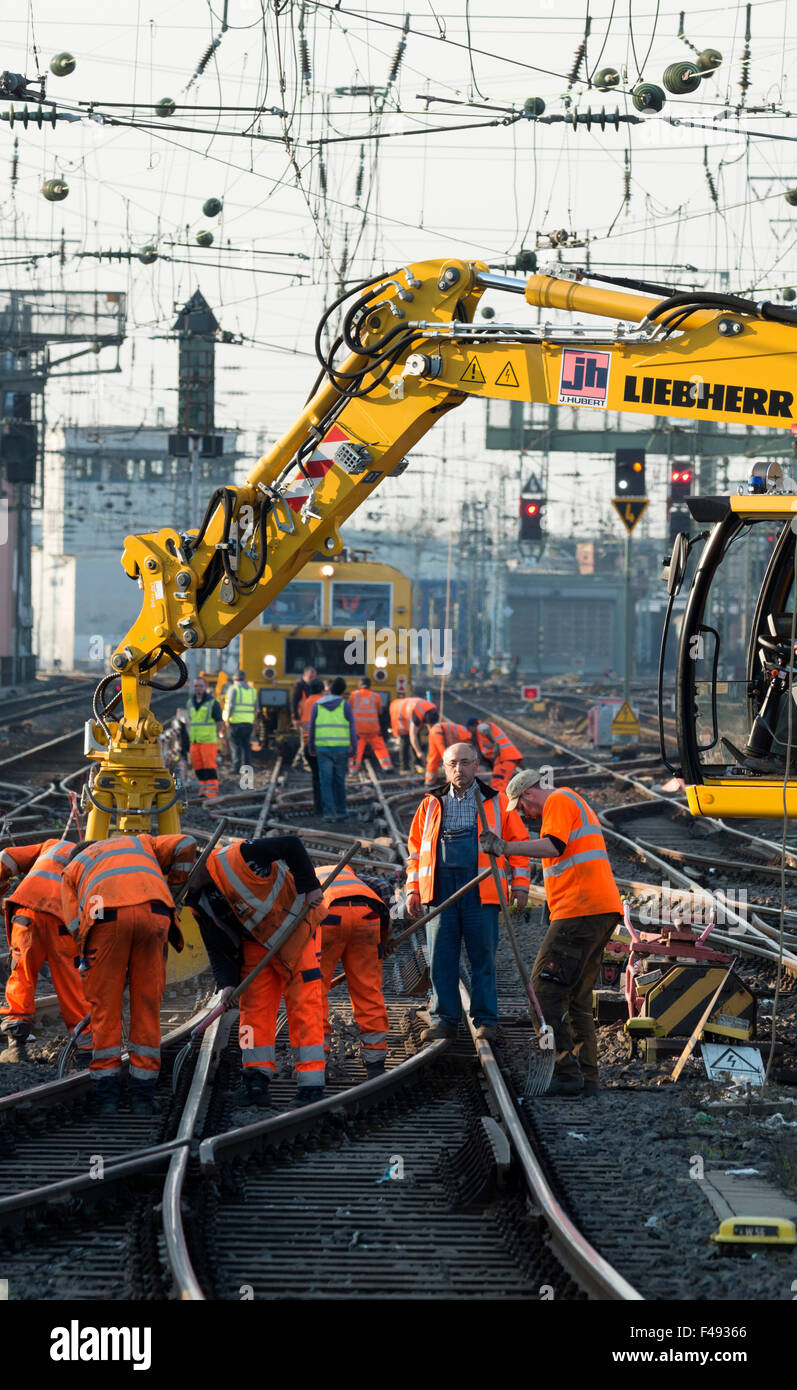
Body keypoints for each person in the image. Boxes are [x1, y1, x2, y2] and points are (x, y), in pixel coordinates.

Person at [479, 769, 623, 1098]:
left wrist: (504, 846)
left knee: (542, 993)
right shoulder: (575, 802)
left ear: (529, 794)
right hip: (598, 909)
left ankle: (564, 1070)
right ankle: (587, 1078)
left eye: (521, 808)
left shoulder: (557, 800)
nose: (524, 815)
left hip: (580, 910)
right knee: (576, 999)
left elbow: (553, 847)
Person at [61, 832, 197, 1115]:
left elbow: (75, 924)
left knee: (105, 1009)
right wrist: (174, 888)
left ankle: (107, 1096)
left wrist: (96, 963)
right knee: (147, 1005)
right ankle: (142, 1097)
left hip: (105, 922)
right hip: (155, 913)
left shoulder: (73, 868)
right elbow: (186, 844)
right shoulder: (140, 841)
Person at [186, 835, 325, 1108]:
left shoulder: (240, 856)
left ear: (195, 862)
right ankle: (255, 1081)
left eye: (182, 876)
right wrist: (226, 983)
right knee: (253, 1012)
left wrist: (310, 887)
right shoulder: (198, 901)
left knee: (303, 1006)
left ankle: (311, 1086)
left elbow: (292, 844)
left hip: (297, 932)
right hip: (256, 945)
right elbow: (216, 947)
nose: (181, 883)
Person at [405, 742, 530, 1042]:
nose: (458, 769)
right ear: (445, 768)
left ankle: (486, 1020)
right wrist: (412, 890)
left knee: (483, 958)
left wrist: (521, 887)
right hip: (440, 892)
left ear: (476, 765)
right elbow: (415, 852)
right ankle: (444, 1019)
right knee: (441, 958)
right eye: (452, 764)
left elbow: (520, 847)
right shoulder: (431, 804)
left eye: (464, 762)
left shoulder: (497, 802)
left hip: (482, 891)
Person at [0, 838, 90, 1062]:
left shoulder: (52, 845)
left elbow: (6, 858)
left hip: (25, 914)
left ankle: (15, 1048)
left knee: (21, 976)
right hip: (62, 921)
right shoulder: (100, 862)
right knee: (72, 983)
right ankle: (86, 1050)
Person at [317, 863, 391, 1080]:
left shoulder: (304, 878)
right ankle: (375, 1060)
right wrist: (385, 940)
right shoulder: (355, 878)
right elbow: (385, 889)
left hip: (328, 916)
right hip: (367, 917)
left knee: (314, 989)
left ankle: (317, 1055)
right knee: (367, 988)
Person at [309, 676, 356, 821]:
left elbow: (312, 728)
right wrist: (354, 748)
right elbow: (352, 729)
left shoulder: (317, 704)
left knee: (326, 782)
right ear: (342, 691)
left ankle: (328, 814)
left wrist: (311, 745)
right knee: (339, 781)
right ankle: (341, 812)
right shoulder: (345, 705)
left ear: (329, 689)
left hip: (323, 749)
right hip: (341, 750)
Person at [181, 677, 224, 799]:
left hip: (208, 741)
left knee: (209, 766)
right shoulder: (190, 703)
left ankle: (212, 791)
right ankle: (203, 788)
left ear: (205, 687)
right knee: (198, 766)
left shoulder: (212, 702)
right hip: (194, 741)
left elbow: (220, 722)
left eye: (200, 686)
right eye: (195, 686)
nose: (198, 688)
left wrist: (219, 738)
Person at [466, 717, 523, 792]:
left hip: (504, 758)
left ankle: (500, 803)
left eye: (469, 729)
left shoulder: (481, 727)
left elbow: (484, 729)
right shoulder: (480, 733)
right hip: (503, 759)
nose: (469, 731)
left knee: (498, 785)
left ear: (472, 726)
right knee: (498, 784)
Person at [348, 677, 393, 773]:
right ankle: (387, 766)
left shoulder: (353, 695)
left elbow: (348, 709)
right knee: (380, 747)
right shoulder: (376, 696)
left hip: (358, 729)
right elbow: (380, 712)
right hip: (373, 729)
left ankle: (353, 769)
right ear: (370, 686)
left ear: (359, 685)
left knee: (357, 748)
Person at [389, 696, 438, 773]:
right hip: (398, 711)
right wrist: (419, 752)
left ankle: (417, 763)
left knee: (417, 736)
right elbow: (413, 736)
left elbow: (430, 727)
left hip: (408, 708)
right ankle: (404, 768)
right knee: (405, 739)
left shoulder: (432, 709)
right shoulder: (417, 716)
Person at [223, 668, 258, 775]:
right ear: (244, 679)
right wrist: (254, 721)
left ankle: (236, 768)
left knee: (235, 746)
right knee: (246, 745)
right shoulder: (252, 690)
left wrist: (227, 719)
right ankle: (247, 767)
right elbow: (256, 709)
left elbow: (230, 705)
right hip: (248, 723)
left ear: (234, 679)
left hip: (235, 722)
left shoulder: (233, 689)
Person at [425, 718, 472, 785]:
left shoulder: (461, 730)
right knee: (449, 759)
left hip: (434, 731)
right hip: (439, 732)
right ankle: (450, 781)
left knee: (434, 757)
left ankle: (429, 781)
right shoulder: (467, 734)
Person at [291, 664, 317, 733]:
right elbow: (294, 702)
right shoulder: (299, 686)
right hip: (301, 718)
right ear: (305, 676)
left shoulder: (312, 687)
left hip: (309, 718)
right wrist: (295, 718)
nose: (312, 679)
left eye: (314, 677)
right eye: (310, 677)